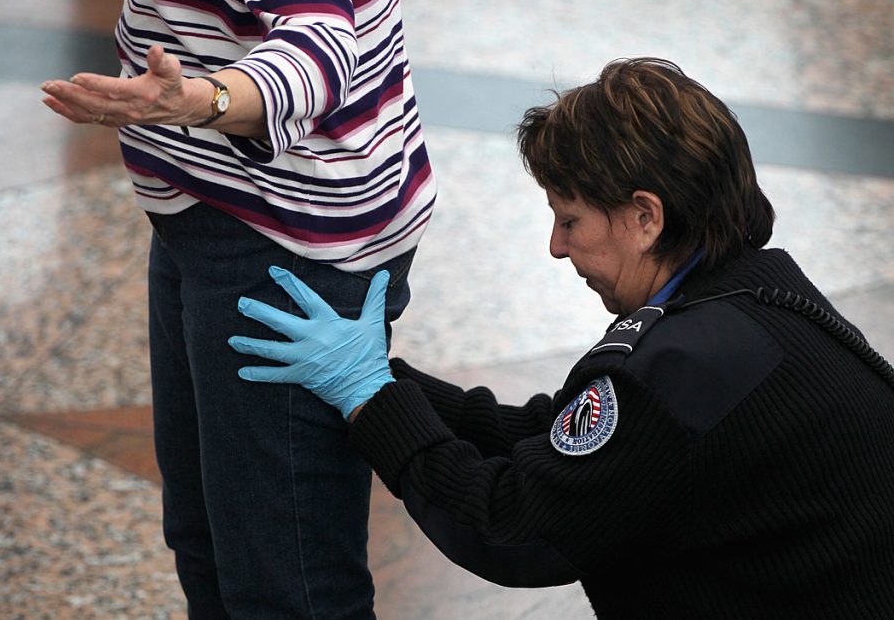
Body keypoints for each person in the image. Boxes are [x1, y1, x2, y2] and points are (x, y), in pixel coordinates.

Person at [228, 58, 894, 618]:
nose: (556, 246)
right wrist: (387, 381)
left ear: (644, 217)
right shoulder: (752, 298)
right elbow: (563, 441)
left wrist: (369, 397)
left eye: (570, 218)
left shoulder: (691, 364)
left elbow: (513, 524)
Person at [40, 0, 436, 617]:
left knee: (287, 583)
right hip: (206, 204)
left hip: (290, 244)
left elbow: (319, 49)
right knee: (209, 544)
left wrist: (201, 100)